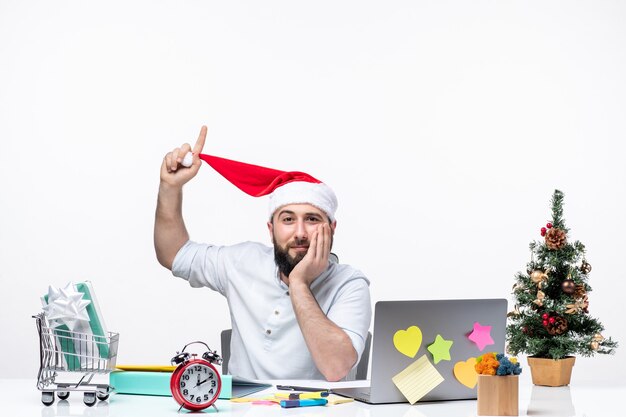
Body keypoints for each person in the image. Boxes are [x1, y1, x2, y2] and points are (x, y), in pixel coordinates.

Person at [154, 126, 371, 381]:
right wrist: (170, 187)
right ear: (271, 229)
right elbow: (174, 254)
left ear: (331, 228)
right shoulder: (243, 261)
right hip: (243, 409)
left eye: (312, 219)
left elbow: (336, 368)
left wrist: (299, 283)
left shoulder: (350, 284)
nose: (300, 232)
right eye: (288, 219)